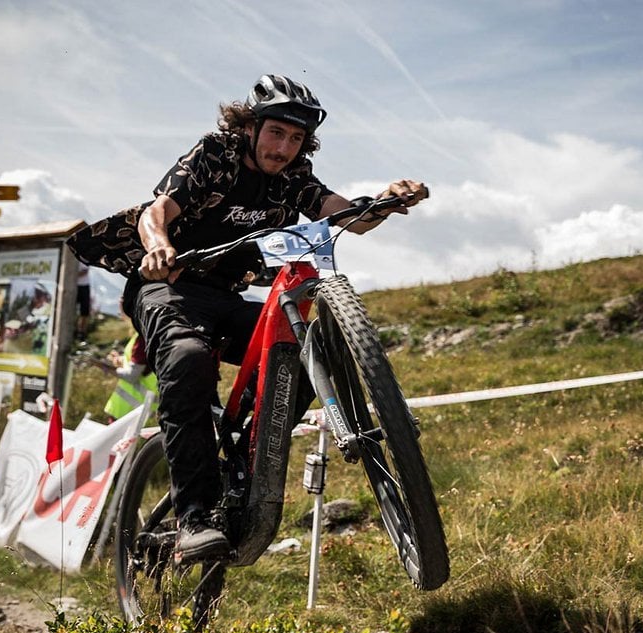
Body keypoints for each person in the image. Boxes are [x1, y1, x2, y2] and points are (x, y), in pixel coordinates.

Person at [124, 73, 428, 562]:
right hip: (170, 287)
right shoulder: (214, 156)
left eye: (296, 138)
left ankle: (248, 455)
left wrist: (389, 201)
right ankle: (193, 519)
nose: (284, 147)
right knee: (187, 358)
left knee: (305, 355)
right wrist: (159, 247)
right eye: (276, 132)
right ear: (251, 126)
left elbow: (348, 215)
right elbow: (154, 212)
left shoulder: (295, 178)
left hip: (227, 294)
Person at [76, 263, 91, 341]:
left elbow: (85, 271)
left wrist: (73, 275)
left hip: (84, 286)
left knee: (84, 312)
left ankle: (82, 333)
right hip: (73, 286)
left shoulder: (84, 257)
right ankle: (77, 331)